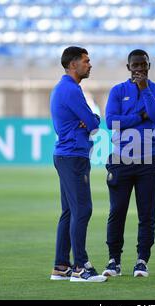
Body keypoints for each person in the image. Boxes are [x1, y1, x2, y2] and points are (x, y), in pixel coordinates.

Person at [101, 49, 155, 278]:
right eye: (135, 65)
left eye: (144, 65)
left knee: (146, 214)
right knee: (117, 211)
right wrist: (140, 117)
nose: (139, 69)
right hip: (121, 160)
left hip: (148, 161)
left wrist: (144, 91)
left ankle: (142, 260)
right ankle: (114, 260)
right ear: (128, 67)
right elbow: (112, 122)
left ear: (149, 66)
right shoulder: (118, 91)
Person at [49, 46, 107, 282]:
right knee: (82, 209)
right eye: (86, 60)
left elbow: (90, 121)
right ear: (73, 64)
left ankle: (61, 266)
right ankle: (81, 268)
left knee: (70, 211)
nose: (89, 64)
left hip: (66, 154)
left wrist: (90, 120)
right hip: (73, 155)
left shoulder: (63, 88)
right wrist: (92, 120)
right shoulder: (71, 90)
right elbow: (93, 123)